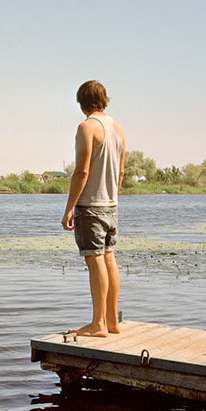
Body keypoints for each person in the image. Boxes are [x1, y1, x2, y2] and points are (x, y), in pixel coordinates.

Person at [61, 80, 126, 337]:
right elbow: (120, 171)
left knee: (95, 259)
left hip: (91, 205)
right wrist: (112, 195)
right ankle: (111, 321)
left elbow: (82, 171)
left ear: (81, 103)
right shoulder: (117, 128)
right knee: (109, 257)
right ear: (104, 99)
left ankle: (98, 324)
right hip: (111, 205)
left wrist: (69, 208)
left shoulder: (86, 127)